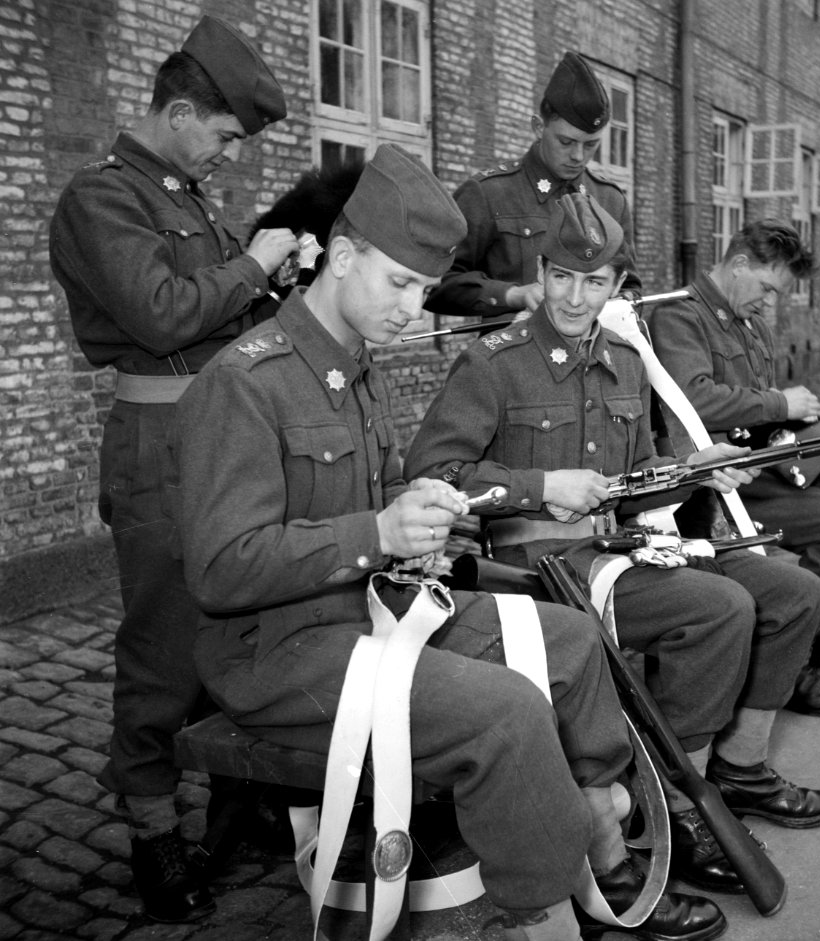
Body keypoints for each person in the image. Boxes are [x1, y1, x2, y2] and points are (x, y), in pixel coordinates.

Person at [171, 144, 726, 941]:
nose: (413, 306)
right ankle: (542, 913)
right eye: (400, 281)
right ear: (341, 254)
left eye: (427, 289)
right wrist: (378, 533)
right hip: (278, 650)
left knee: (569, 638)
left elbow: (371, 498)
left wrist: (416, 512)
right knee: (505, 713)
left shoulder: (353, 366)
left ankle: (601, 822)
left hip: (366, 611)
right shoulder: (245, 380)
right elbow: (221, 569)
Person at [405, 193, 820, 904]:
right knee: (721, 606)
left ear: (616, 287)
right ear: (541, 273)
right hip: (541, 567)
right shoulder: (493, 363)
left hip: (628, 546)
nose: (577, 297)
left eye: (596, 281)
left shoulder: (624, 363)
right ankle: (681, 806)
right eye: (564, 277)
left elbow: (635, 481)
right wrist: (539, 484)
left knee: (796, 593)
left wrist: (695, 470)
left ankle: (738, 769)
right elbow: (434, 476)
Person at [48, 16, 298, 923]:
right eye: (226, 136)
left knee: (250, 619)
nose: (230, 154)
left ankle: (244, 795)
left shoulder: (187, 198)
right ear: (182, 110)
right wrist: (257, 260)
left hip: (229, 433)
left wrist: (279, 281)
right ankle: (155, 830)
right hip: (161, 447)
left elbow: (226, 315)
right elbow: (160, 314)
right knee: (164, 646)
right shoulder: (101, 198)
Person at [647, 220, 820, 718]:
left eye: (777, 294)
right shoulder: (679, 316)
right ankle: (795, 664)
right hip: (724, 480)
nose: (770, 303)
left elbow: (762, 407)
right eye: (767, 288)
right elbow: (693, 399)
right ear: (739, 264)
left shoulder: (749, 321)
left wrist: (797, 420)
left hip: (769, 461)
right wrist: (778, 403)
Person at [425, 50, 642, 321]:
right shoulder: (489, 193)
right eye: (566, 142)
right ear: (538, 128)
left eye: (591, 145)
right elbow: (432, 284)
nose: (578, 156)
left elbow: (630, 287)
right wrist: (512, 295)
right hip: (511, 356)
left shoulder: (610, 200)